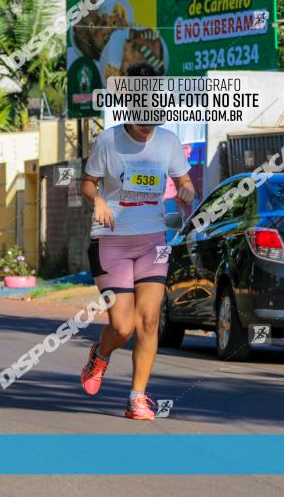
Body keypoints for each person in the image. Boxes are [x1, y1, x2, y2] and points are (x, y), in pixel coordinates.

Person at [79, 121, 195, 420]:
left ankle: (137, 398)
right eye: (142, 123)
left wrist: (185, 191)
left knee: (149, 320)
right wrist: (98, 200)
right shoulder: (108, 140)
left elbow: (186, 182)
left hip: (153, 239)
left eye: (153, 122)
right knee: (122, 327)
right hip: (111, 239)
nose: (147, 130)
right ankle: (100, 354)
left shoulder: (168, 141)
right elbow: (87, 182)